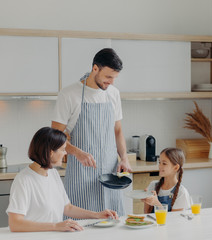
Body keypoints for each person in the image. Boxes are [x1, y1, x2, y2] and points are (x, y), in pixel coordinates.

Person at [51, 48, 132, 216]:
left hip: (110, 177)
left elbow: (117, 131)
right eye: (108, 77)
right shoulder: (69, 94)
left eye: (114, 78)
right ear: (95, 68)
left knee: (113, 224)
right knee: (81, 227)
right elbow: (54, 136)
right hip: (81, 175)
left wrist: (124, 158)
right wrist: (77, 152)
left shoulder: (113, 94)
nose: (111, 82)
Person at [6, 127, 118, 232]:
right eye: (63, 149)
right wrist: (55, 226)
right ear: (51, 152)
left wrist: (96, 215)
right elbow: (15, 224)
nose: (66, 153)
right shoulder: (23, 180)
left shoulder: (53, 173)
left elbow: (67, 208)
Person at [142, 148, 191, 213]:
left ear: (176, 167)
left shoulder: (181, 192)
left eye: (164, 163)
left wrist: (157, 204)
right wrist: (146, 200)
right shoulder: (153, 185)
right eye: (159, 162)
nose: (159, 166)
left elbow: (175, 220)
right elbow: (146, 214)